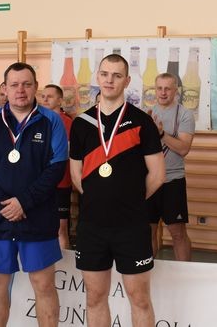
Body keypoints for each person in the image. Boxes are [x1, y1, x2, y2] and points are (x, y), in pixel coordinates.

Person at [69, 54, 165, 327]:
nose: (109, 80)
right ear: (97, 77)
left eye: (117, 75)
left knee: (140, 299)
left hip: (131, 226)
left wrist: (130, 200)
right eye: (105, 74)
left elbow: (158, 175)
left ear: (127, 80)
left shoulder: (142, 122)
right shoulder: (82, 123)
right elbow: (76, 175)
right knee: (94, 298)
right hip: (92, 226)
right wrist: (100, 200)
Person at [0, 64, 68, 327]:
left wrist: (24, 202)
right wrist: (4, 205)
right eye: (14, 85)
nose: (20, 90)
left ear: (36, 87)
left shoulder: (51, 121)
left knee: (43, 284)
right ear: (5, 88)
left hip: (38, 217)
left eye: (26, 84)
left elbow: (56, 169)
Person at [146, 72, 195, 261]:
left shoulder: (184, 114)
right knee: (147, 231)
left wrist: (161, 134)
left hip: (172, 181)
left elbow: (183, 149)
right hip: (149, 181)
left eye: (167, 88)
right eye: (159, 88)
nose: (163, 92)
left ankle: (185, 274)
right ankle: (147, 272)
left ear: (176, 91)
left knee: (177, 233)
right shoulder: (145, 114)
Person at [40, 83, 74, 249]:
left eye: (50, 96)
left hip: (60, 182)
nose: (45, 99)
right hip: (39, 182)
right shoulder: (36, 119)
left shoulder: (67, 122)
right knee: (39, 226)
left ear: (60, 100)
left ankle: (63, 265)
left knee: (61, 229)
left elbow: (64, 153)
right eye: (43, 96)